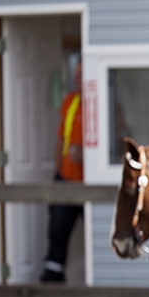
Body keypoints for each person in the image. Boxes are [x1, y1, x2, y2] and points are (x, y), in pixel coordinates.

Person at [40, 58, 84, 283]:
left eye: (81, 75)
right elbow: (60, 137)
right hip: (66, 179)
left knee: (97, 231)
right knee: (57, 229)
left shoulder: (101, 102)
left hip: (90, 184)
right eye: (76, 75)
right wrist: (58, 168)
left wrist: (85, 155)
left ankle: (99, 280)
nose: (78, 79)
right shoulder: (70, 101)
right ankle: (53, 277)